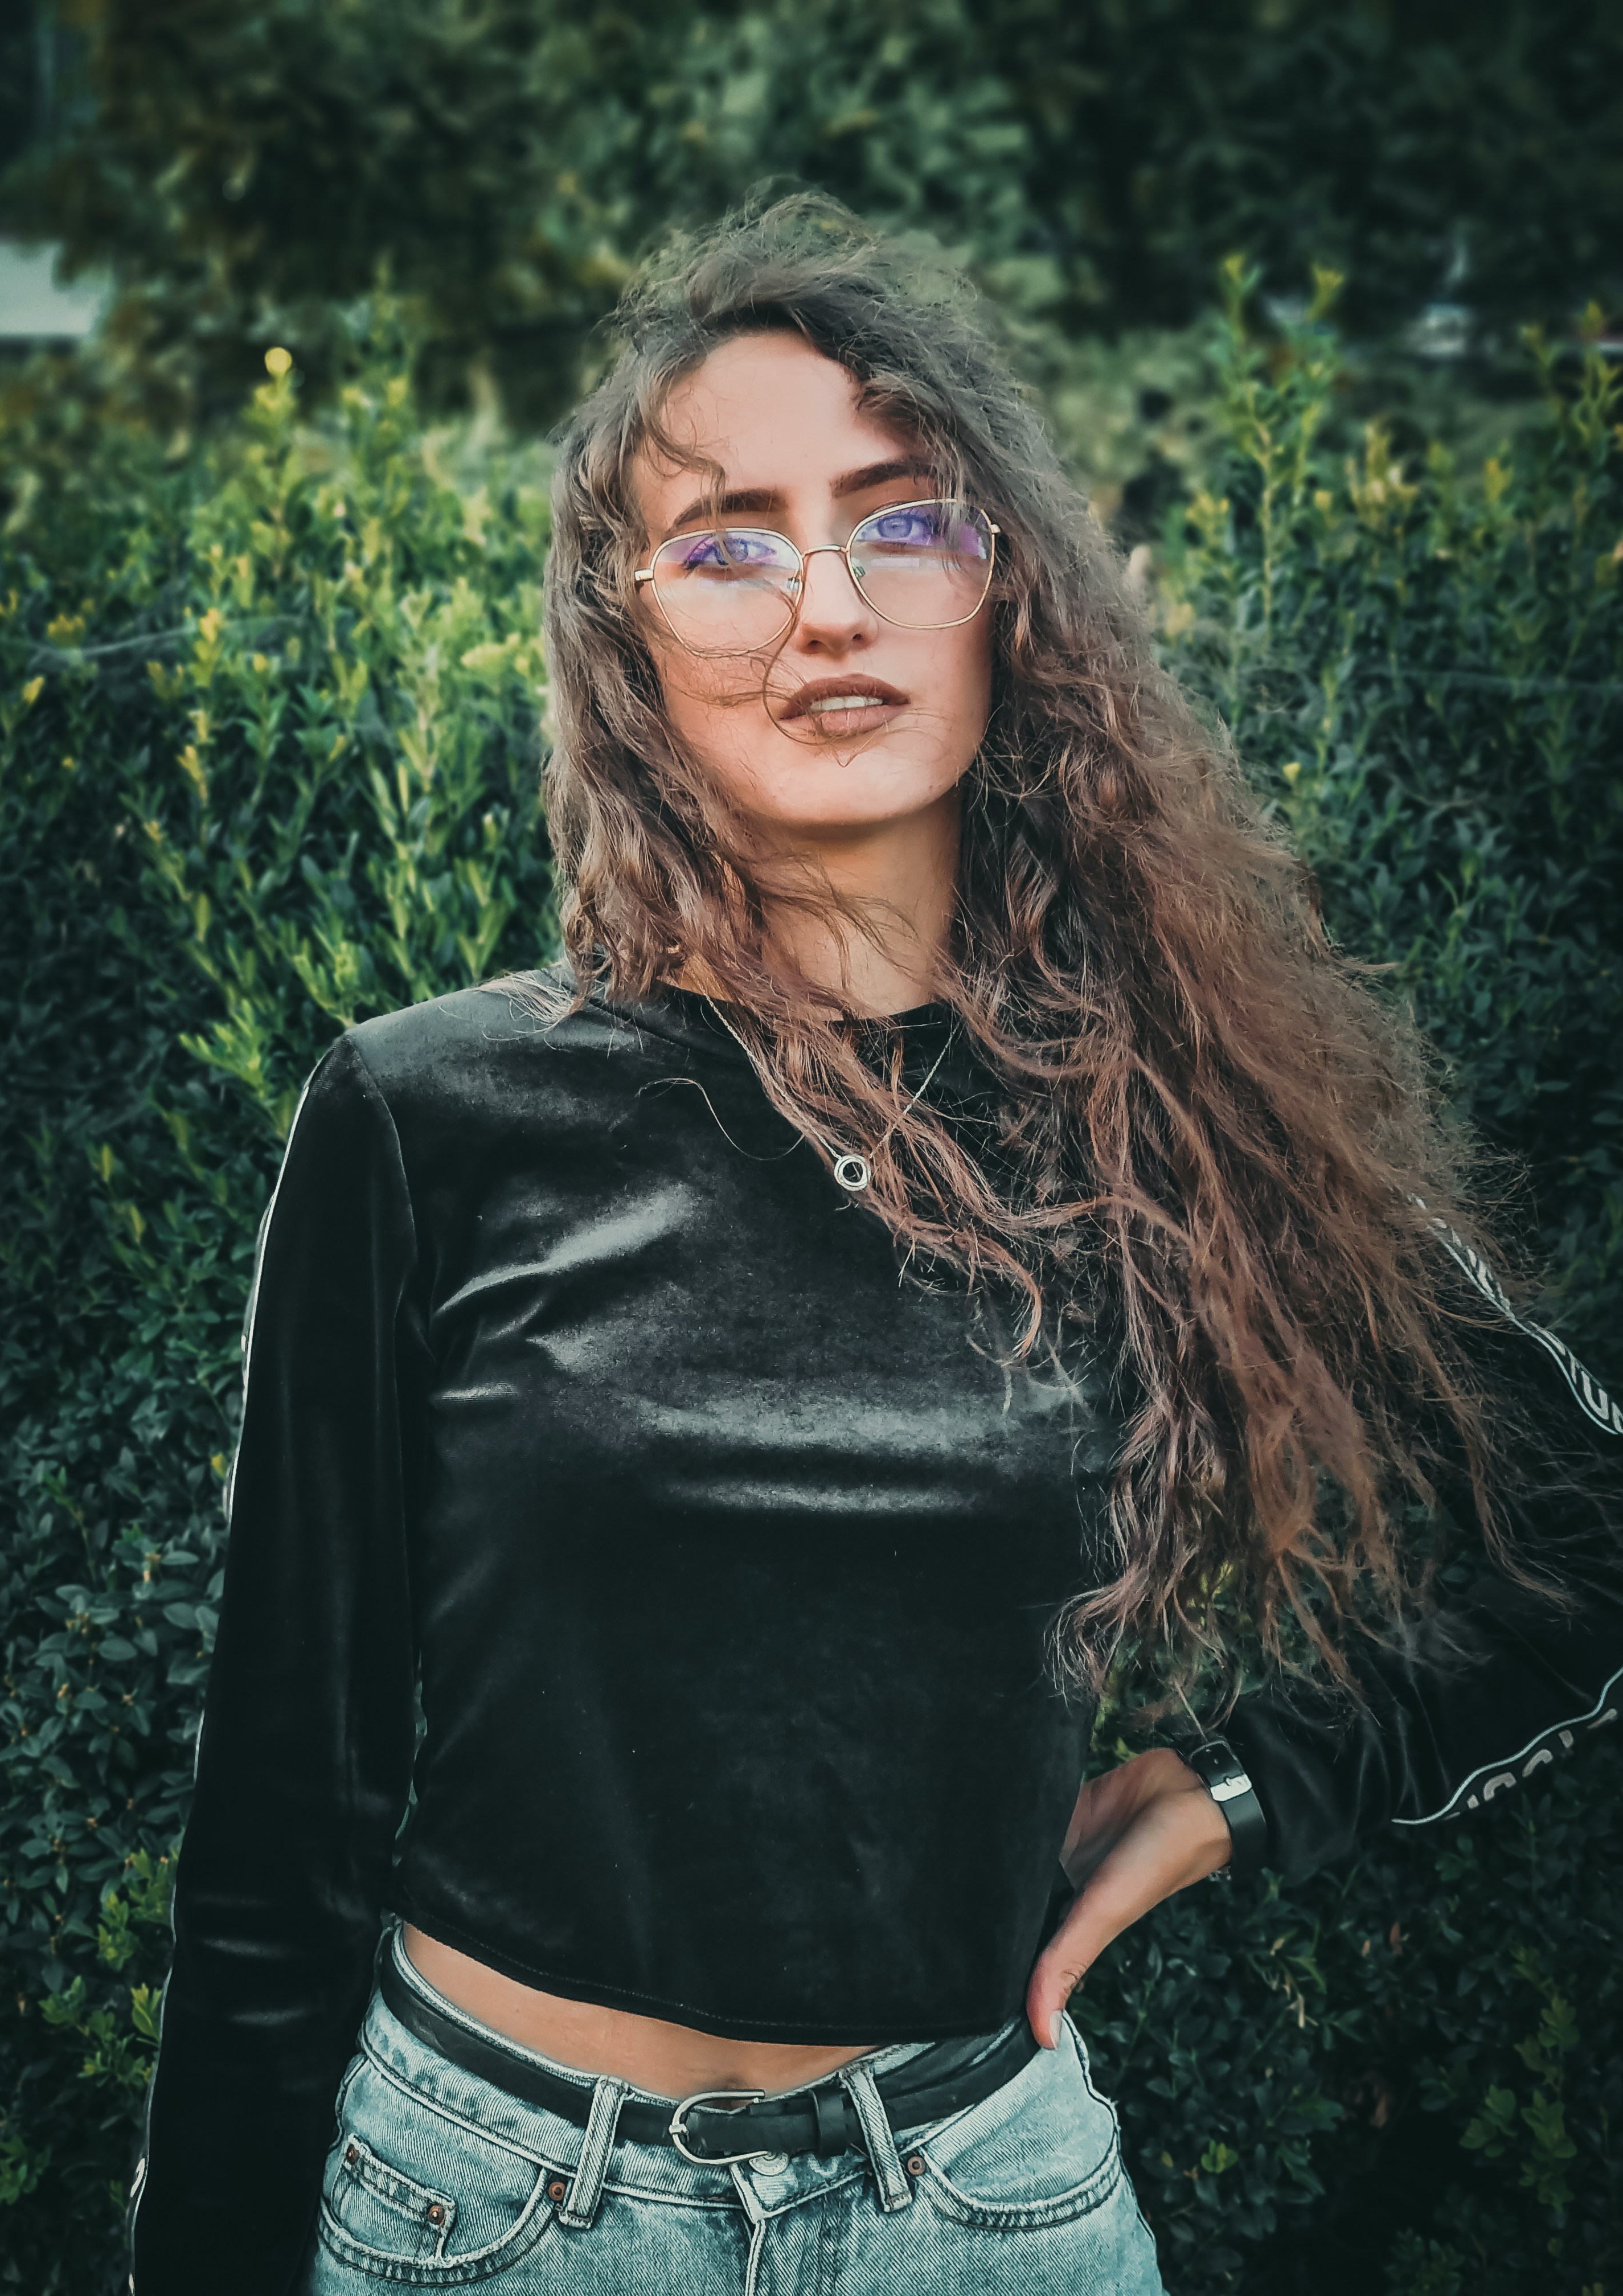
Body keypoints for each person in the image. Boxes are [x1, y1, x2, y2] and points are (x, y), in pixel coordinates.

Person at [129, 200, 1623, 2295]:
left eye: (902, 525)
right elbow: (284, 1814)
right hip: (491, 2215)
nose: (823, 603)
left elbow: (1584, 1526)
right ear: (626, 633)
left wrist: (1237, 1789)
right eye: (729, 541)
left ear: (1008, 600)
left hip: (982, 2210)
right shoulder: (427, 1114)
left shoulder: (1162, 1117)